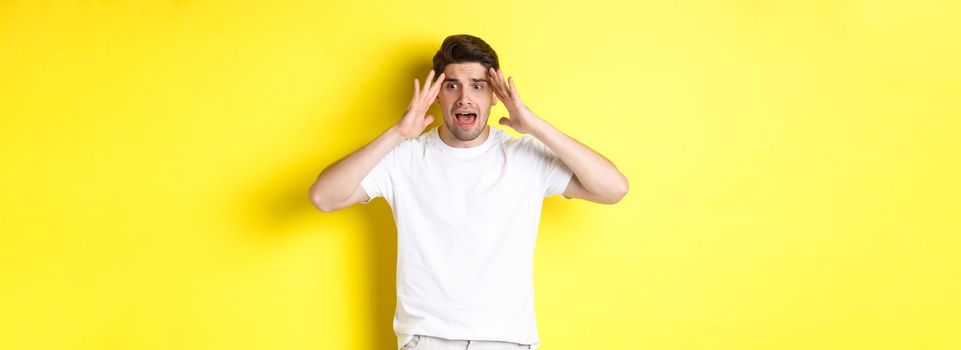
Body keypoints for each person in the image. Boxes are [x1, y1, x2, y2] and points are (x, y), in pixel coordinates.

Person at [308, 34, 628, 350]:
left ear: (494, 95)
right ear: (437, 95)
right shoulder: (403, 157)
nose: (464, 98)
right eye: (452, 86)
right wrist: (397, 133)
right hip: (427, 339)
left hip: (507, 339)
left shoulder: (526, 156)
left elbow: (613, 188)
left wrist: (536, 126)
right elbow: (324, 197)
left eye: (477, 85)